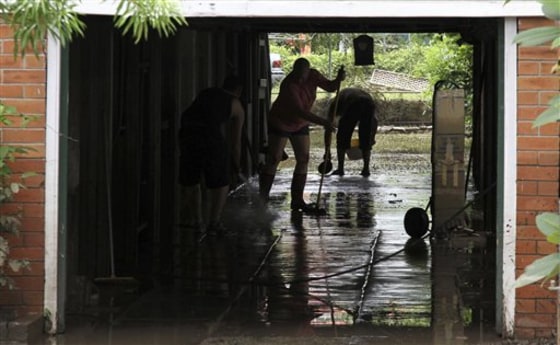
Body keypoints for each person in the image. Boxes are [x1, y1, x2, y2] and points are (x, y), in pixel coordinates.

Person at [259, 57, 344, 213]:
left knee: (303, 158)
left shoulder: (314, 75)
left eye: (302, 76)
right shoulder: (289, 85)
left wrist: (338, 79)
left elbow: (330, 87)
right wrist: (324, 122)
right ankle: (262, 200)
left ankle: (297, 200)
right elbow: (301, 112)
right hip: (281, 121)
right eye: (297, 75)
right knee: (274, 158)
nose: (299, 78)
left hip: (300, 124)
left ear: (308, 72)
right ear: (293, 71)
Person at [178, 75, 245, 234]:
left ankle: (196, 220)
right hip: (210, 138)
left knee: (191, 179)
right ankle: (214, 222)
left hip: (187, 133)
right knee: (221, 183)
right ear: (239, 91)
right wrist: (237, 164)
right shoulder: (236, 104)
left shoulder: (206, 93)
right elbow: (235, 142)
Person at [327, 87, 378, 177]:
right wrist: (372, 137)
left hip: (354, 103)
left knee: (342, 137)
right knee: (365, 138)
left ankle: (340, 169)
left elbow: (328, 128)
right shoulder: (344, 97)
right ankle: (366, 169)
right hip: (369, 103)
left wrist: (327, 151)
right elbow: (374, 121)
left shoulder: (336, 104)